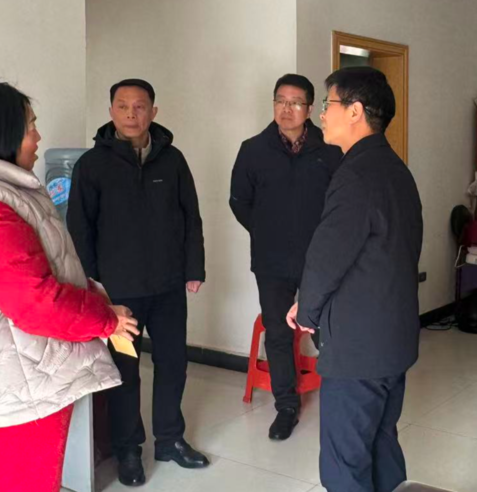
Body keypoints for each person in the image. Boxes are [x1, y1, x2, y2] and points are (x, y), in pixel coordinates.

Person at [0, 82, 139, 491]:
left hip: (20, 372)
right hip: (18, 382)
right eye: (29, 126)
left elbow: (45, 271)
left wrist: (96, 297)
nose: (38, 136)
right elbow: (36, 302)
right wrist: (106, 320)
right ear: (1, 135)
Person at [287, 67, 423, 492]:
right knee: (381, 443)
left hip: (358, 346)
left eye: (328, 105)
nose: (321, 115)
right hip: (393, 337)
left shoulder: (356, 175)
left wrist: (307, 311)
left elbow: (327, 256)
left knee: (345, 462)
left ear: (355, 111)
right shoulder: (395, 169)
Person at [67, 79, 208, 486]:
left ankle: (170, 440)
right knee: (125, 371)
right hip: (119, 295)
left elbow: (191, 216)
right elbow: (80, 228)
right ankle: (128, 449)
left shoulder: (172, 160)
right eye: (123, 106)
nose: (131, 114)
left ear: (153, 112)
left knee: (173, 364)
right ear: (111, 111)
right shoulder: (92, 165)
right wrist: (92, 285)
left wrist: (193, 268)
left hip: (167, 287)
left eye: (140, 106)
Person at [229, 74, 341, 440]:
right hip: (272, 261)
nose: (286, 109)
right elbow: (239, 201)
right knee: (277, 332)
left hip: (320, 260)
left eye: (295, 102)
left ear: (309, 108)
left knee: (328, 328)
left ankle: (341, 398)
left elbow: (343, 204)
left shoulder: (330, 149)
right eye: (280, 100)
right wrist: (266, 232)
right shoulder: (253, 150)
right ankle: (286, 406)